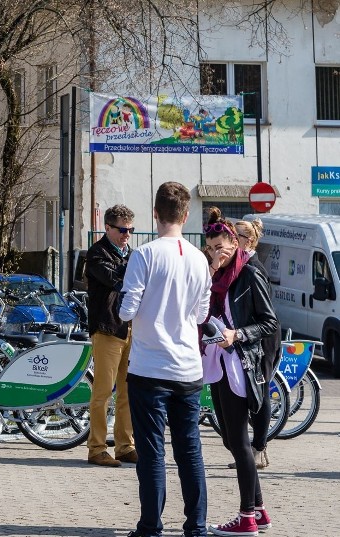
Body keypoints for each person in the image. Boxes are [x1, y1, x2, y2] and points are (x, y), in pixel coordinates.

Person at [119, 182, 212, 537]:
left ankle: (150, 527)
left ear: (155, 213)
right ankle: (197, 527)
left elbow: (127, 311)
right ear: (186, 215)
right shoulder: (199, 258)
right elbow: (202, 314)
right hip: (188, 368)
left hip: (149, 368)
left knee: (152, 451)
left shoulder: (144, 255)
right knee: (190, 450)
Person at [203, 208, 278, 536]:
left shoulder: (249, 272)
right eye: (211, 248)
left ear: (235, 243)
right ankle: (259, 510)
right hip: (218, 363)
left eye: (222, 247)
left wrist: (237, 334)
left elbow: (269, 322)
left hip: (241, 362)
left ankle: (246, 516)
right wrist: (211, 269)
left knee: (239, 442)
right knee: (230, 440)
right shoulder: (215, 275)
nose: (217, 252)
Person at [85, 204, 137, 467]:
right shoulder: (97, 254)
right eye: (122, 230)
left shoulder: (132, 255)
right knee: (103, 392)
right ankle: (96, 447)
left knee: (128, 390)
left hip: (129, 327)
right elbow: (118, 279)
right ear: (107, 228)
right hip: (107, 327)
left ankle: (125, 445)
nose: (127, 234)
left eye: (130, 230)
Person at [230, 218, 280, 471]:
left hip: (262, 338)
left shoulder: (253, 268)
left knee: (259, 392)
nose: (230, 239)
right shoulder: (237, 265)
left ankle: (259, 448)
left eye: (234, 235)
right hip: (247, 336)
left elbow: (266, 317)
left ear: (247, 241)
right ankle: (247, 450)